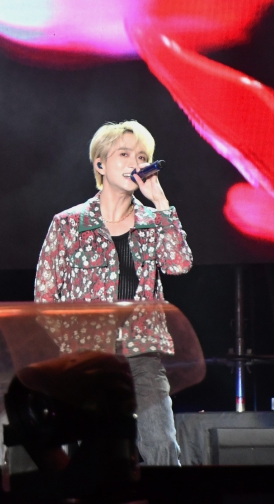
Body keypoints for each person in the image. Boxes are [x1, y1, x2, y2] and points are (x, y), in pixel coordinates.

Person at [33, 120, 192, 465]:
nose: (135, 162)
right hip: (88, 358)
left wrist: (161, 202)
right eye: (124, 154)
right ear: (100, 164)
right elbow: (45, 300)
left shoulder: (153, 222)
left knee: (162, 445)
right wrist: (72, 350)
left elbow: (179, 264)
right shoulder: (68, 224)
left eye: (142, 156)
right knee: (95, 455)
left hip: (141, 353)